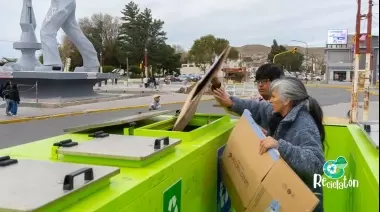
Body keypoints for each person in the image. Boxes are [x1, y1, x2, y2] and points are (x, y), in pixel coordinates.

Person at [212, 77, 325, 212]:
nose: (270, 100)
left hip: (303, 202)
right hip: (285, 195)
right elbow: (257, 108)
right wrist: (230, 102)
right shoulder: (279, 112)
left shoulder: (303, 124)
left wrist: (280, 146)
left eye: (273, 96)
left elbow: (317, 165)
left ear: (287, 100)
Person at [39, 0, 99, 72]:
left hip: (60, 2)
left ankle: (52, 63)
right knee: (73, 31)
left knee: (46, 30)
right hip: (67, 2)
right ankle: (91, 61)